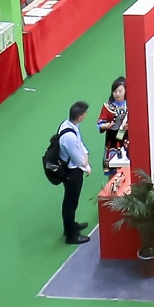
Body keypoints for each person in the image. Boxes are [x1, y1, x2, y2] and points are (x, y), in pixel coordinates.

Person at [52, 102, 93, 244]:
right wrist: (87, 167)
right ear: (80, 117)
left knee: (71, 201)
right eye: (85, 113)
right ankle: (71, 235)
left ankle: (70, 226)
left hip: (72, 169)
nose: (86, 115)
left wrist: (85, 154)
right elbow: (78, 158)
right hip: (71, 172)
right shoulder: (69, 136)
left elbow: (79, 144)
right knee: (70, 202)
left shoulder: (68, 125)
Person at [97, 77, 129, 166]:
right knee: (111, 164)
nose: (117, 94)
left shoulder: (131, 104)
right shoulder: (107, 106)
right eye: (115, 91)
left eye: (120, 91)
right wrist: (106, 126)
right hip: (112, 140)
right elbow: (100, 123)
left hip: (128, 138)